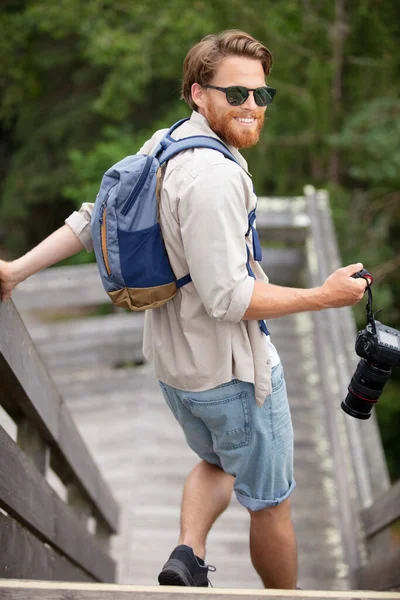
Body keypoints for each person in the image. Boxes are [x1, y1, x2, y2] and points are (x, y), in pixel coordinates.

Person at [0, 30, 367, 590]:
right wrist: (325, 296)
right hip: (232, 374)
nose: (251, 108)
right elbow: (230, 300)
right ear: (199, 92)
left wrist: (15, 271)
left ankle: (188, 553)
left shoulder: (166, 142)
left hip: (175, 371)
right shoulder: (216, 178)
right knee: (271, 504)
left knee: (220, 461)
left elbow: (94, 216)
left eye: (260, 97)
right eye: (236, 95)